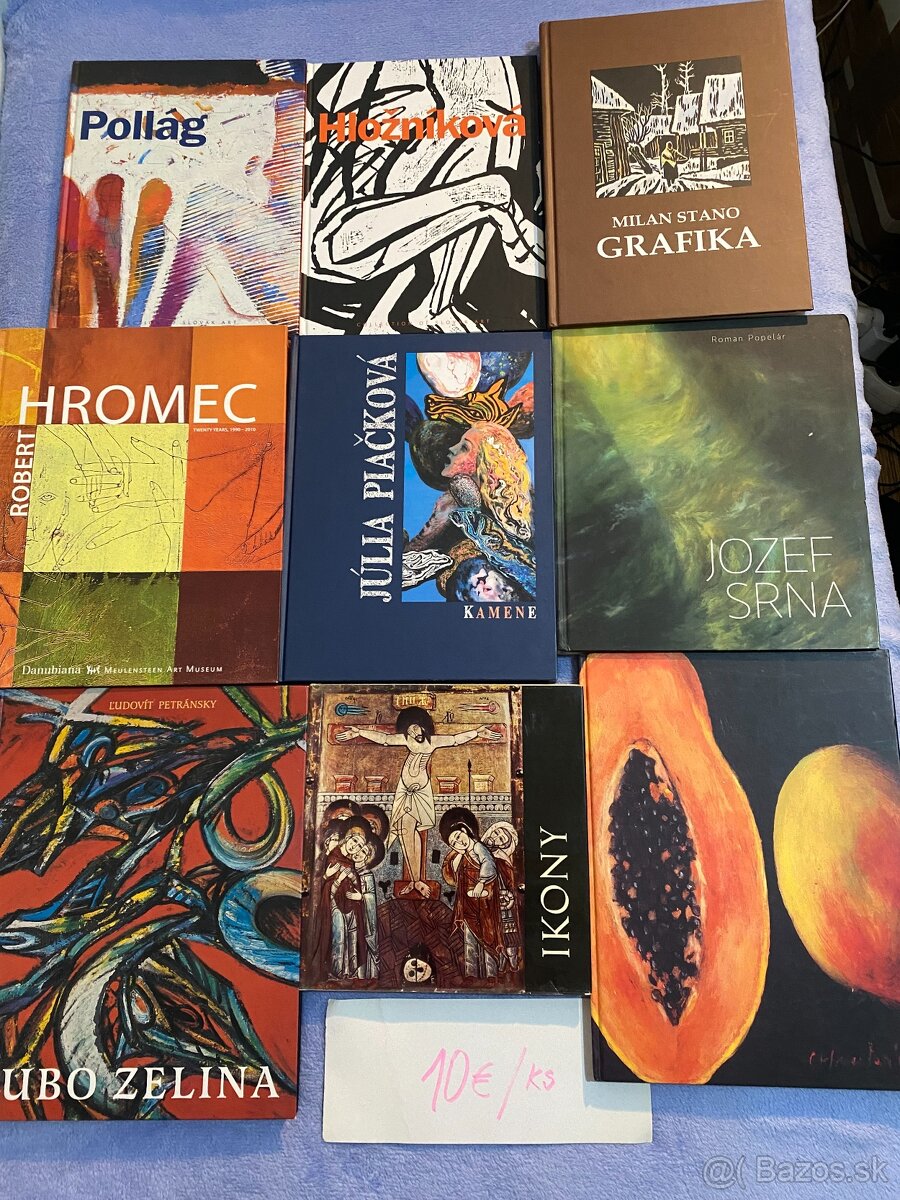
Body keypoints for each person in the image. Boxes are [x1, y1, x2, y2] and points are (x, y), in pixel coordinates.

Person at [336, 708, 501, 897]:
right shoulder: (407, 740)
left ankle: (417, 880)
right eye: (410, 730)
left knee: (412, 831)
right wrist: (359, 732)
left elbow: (455, 739)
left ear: (424, 725)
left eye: (416, 727)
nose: (415, 733)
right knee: (406, 832)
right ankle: (415, 880)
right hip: (404, 791)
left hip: (421, 793)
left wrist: (477, 732)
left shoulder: (432, 742)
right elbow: (384, 739)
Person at [439, 807, 507, 979]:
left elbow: (489, 864)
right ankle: (471, 973)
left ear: (464, 830)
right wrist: (458, 855)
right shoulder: (463, 855)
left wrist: (481, 883)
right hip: (469, 904)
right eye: (453, 843)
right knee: (470, 938)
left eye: (458, 837)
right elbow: (454, 876)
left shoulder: (478, 847)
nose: (458, 842)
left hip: (485, 903)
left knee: (487, 935)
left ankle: (491, 973)